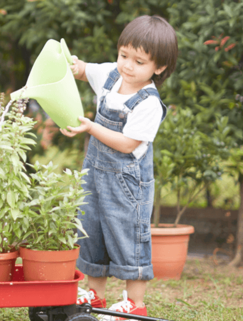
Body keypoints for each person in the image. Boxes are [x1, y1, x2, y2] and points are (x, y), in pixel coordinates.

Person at [61, 15, 178, 319]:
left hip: (128, 184)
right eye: (123, 55)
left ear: (158, 67)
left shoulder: (148, 102)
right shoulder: (113, 75)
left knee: (128, 235)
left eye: (138, 61)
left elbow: (127, 144)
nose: (127, 65)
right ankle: (96, 295)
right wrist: (74, 65)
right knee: (92, 230)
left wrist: (90, 128)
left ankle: (134, 303)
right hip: (96, 175)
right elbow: (86, 71)